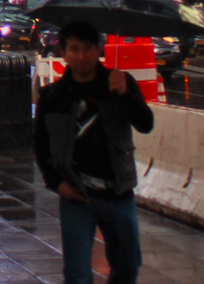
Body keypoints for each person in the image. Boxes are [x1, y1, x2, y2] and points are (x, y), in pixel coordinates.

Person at [35, 21, 155, 284]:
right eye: (74, 49)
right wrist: (57, 184)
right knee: (77, 274)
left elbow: (146, 124)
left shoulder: (120, 83)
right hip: (77, 196)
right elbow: (41, 145)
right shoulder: (53, 96)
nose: (81, 56)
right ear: (63, 53)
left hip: (118, 193)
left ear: (98, 49)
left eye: (87, 48)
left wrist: (126, 95)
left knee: (128, 266)